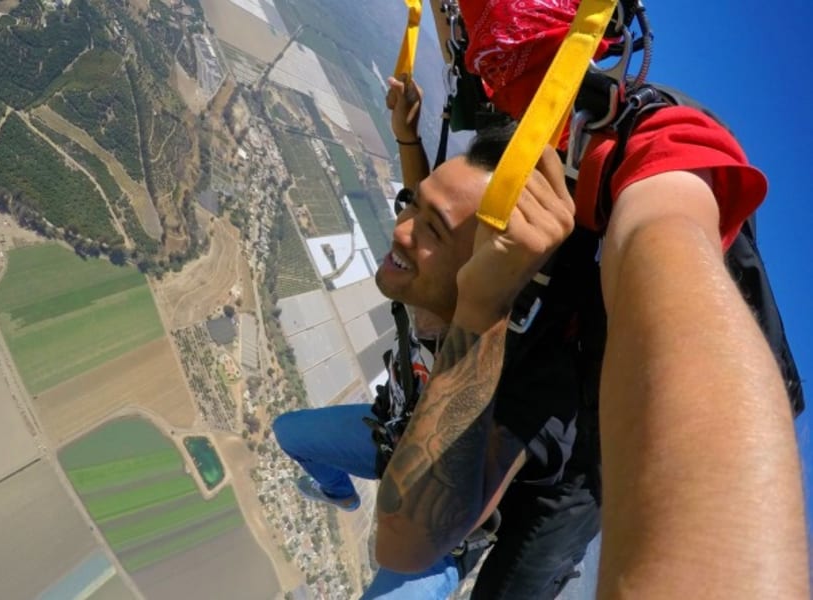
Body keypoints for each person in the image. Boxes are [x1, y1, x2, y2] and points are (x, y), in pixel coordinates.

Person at [375, 1, 809, 596]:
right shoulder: (523, 123)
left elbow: (666, 233)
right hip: (520, 380)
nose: (450, 30)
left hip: (575, 453)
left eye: (455, 10)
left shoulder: (633, 135)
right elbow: (444, 229)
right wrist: (409, 141)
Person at [274, 118, 596, 598]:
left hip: (438, 527)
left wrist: (481, 308)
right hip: (396, 434)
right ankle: (339, 493)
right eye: (411, 207)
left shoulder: (526, 378)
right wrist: (408, 136)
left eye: (433, 231)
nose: (402, 232)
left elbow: (403, 548)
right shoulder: (431, 284)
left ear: (487, 270)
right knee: (290, 433)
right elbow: (437, 216)